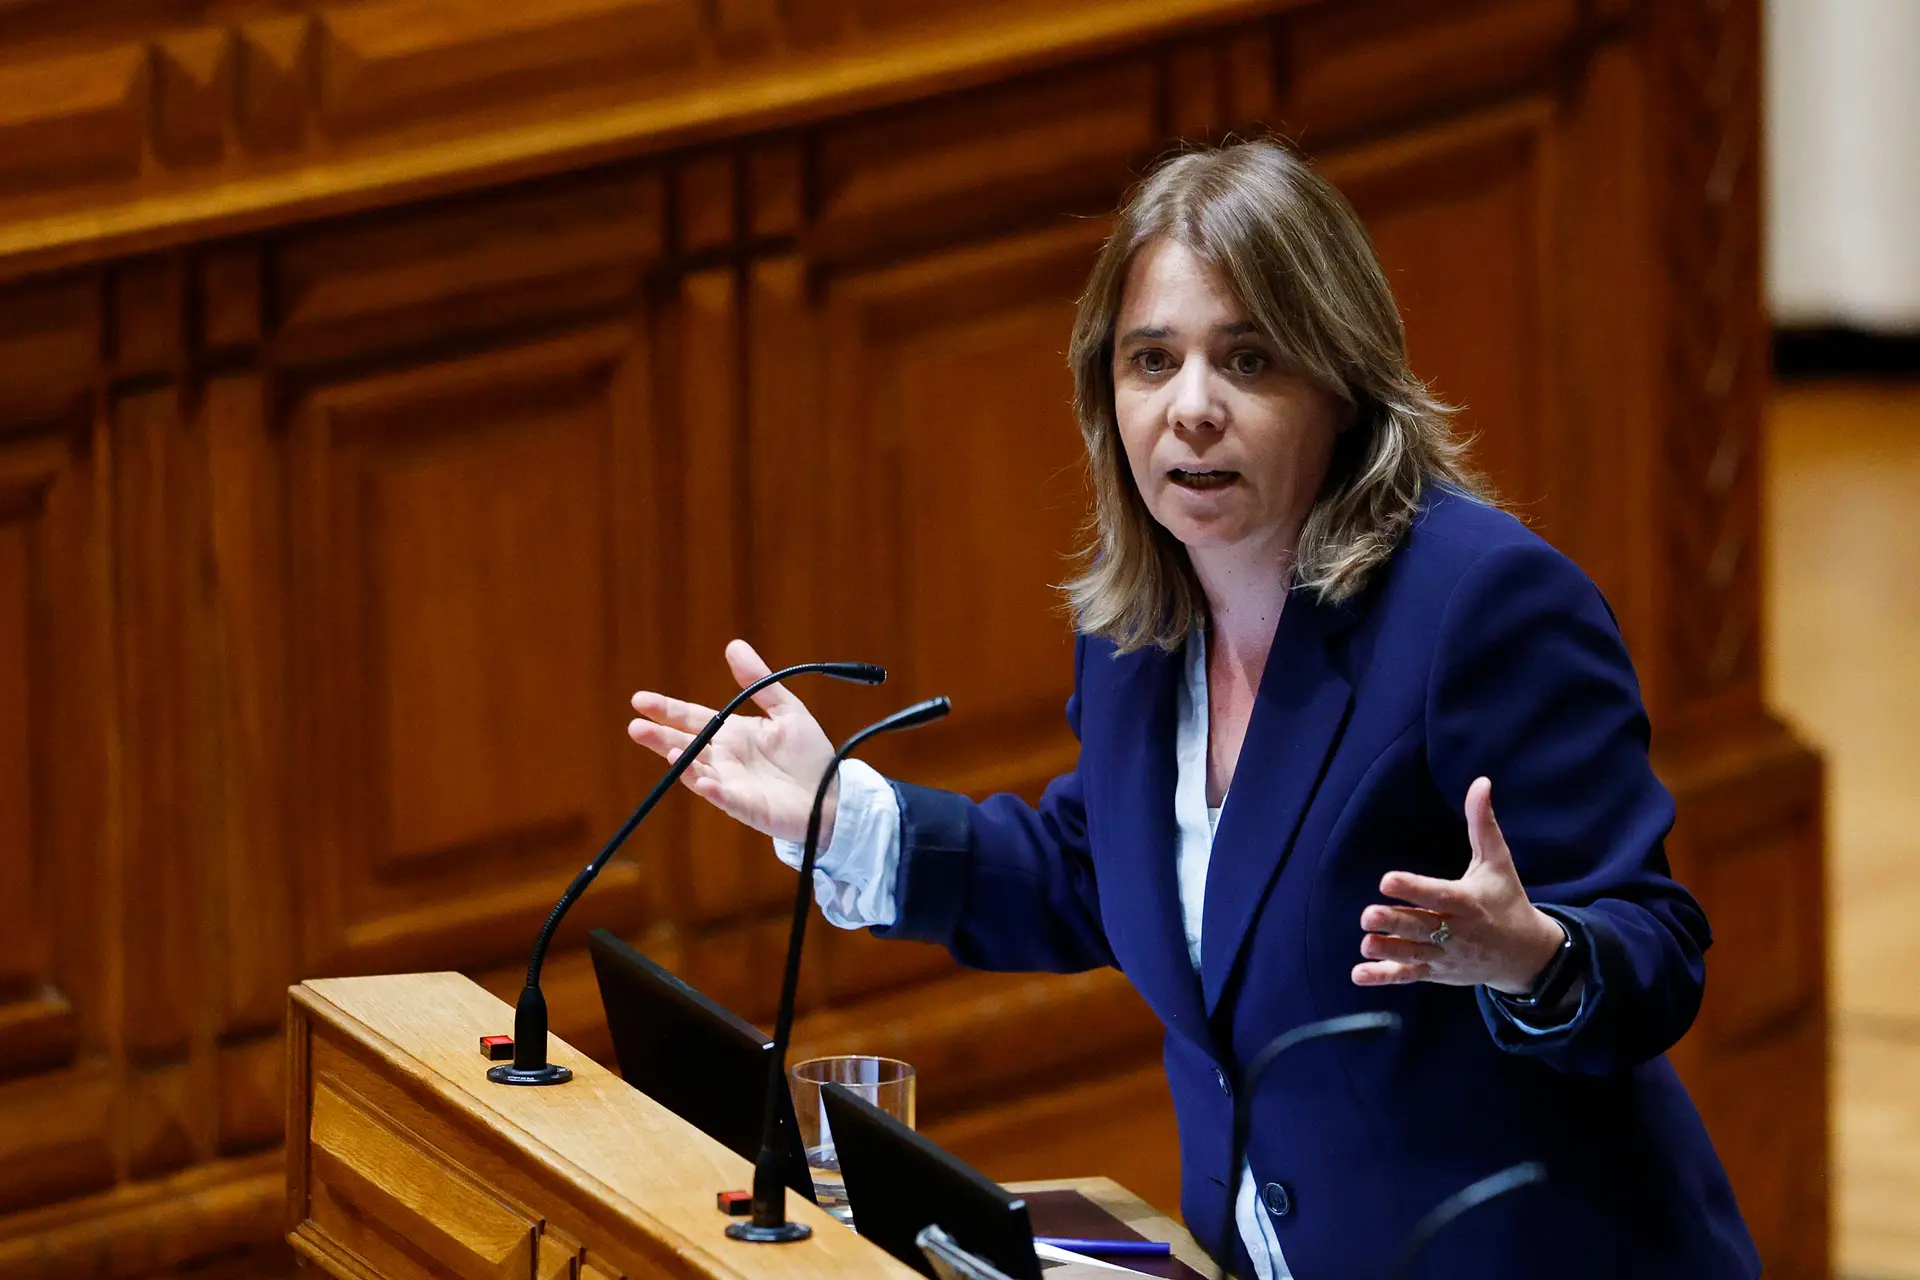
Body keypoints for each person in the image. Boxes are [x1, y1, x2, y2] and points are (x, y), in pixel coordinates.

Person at [627, 140, 1758, 1279]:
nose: (1192, 408)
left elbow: (1655, 945)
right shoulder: (1138, 635)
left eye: (1250, 359)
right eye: (1151, 360)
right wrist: (851, 816)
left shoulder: (1480, 605)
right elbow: (1105, 870)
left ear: (1342, 381)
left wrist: (1534, 954)